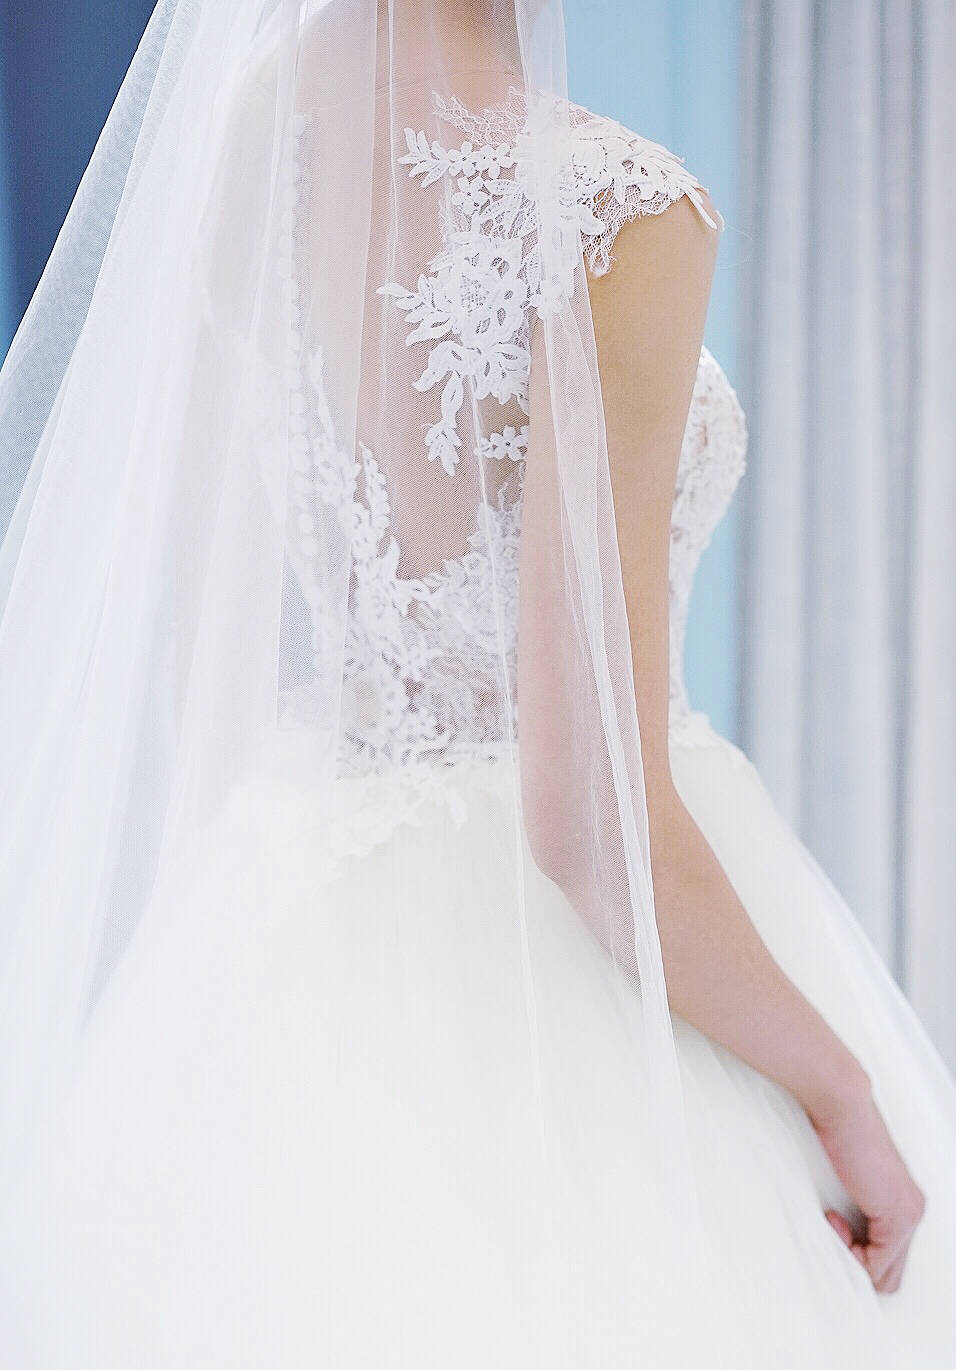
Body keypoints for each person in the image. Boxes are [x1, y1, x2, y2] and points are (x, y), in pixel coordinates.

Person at [0, 1, 954, 1365]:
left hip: (299, 913)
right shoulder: (618, 214)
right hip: (564, 996)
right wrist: (841, 1089)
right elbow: (588, 817)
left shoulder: (254, 131)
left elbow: (201, 637)